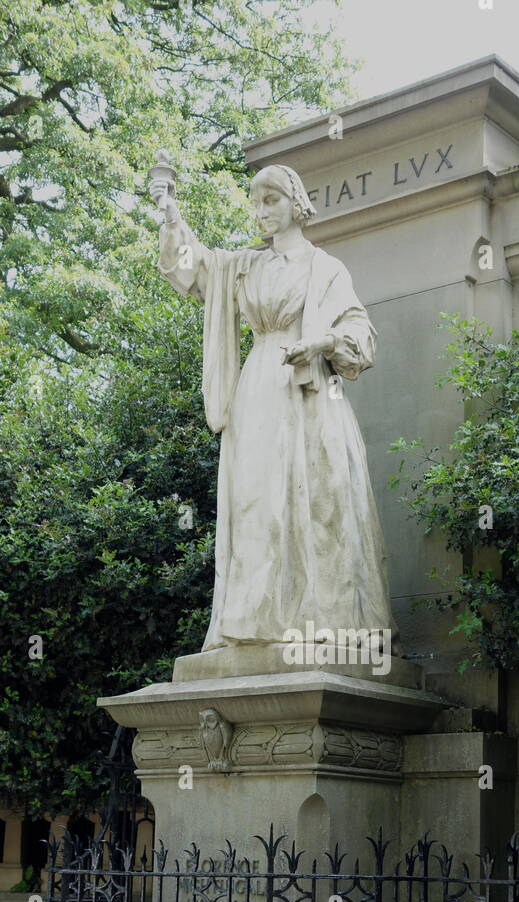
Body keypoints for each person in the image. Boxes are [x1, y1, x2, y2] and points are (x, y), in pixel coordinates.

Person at [149, 161, 398, 655]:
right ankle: (257, 623)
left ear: (296, 204)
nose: (261, 212)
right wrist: (170, 213)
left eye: (272, 201)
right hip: (259, 389)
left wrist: (323, 341)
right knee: (257, 502)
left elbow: (362, 337)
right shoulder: (242, 266)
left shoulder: (325, 268)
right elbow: (190, 268)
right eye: (256, 202)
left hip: (312, 393)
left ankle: (324, 622)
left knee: (321, 501)